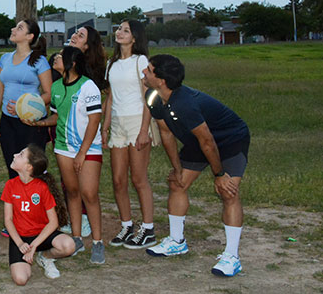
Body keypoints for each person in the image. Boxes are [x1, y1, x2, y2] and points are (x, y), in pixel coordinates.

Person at [143, 55, 250, 278]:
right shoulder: (153, 96)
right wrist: (177, 168)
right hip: (198, 141)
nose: (144, 72)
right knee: (177, 184)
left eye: (149, 70)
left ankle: (232, 256)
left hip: (229, 141)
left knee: (228, 191)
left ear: (161, 79)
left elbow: (208, 141)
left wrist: (219, 174)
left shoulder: (185, 103)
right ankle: (177, 241)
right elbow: (166, 132)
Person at [40, 46, 105, 264]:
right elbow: (57, 118)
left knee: (90, 194)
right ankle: (77, 238)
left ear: (72, 63)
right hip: (63, 148)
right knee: (73, 192)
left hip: (88, 149)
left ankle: (97, 242)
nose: (55, 58)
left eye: (60, 56)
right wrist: (38, 122)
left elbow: (94, 121)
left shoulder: (88, 86)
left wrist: (82, 153)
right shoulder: (56, 87)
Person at [103, 19, 157, 249]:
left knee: (138, 178)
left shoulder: (141, 61)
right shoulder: (111, 63)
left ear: (135, 37)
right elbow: (111, 97)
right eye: (119, 29)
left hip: (137, 121)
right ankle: (127, 225)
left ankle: (148, 229)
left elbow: (149, 97)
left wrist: (144, 129)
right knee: (118, 180)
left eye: (125, 30)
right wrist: (105, 127)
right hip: (117, 124)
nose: (120, 33)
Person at [0, 18, 52, 180]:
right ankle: (16, 204)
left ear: (29, 36)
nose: (13, 29)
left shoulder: (39, 61)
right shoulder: (5, 58)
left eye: (19, 28)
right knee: (14, 168)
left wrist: (21, 107)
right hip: (8, 122)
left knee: (32, 170)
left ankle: (35, 204)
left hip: (30, 123)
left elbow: (49, 93)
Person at [2, 144, 76, 284]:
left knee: (69, 245)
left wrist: (34, 245)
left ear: (29, 167)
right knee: (20, 279)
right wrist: (20, 244)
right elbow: (8, 220)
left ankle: (45, 257)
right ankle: (26, 260)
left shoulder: (42, 188)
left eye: (21, 154)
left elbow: (53, 222)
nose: (14, 155)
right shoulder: (10, 185)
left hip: (42, 236)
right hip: (21, 238)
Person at [64, 25, 106, 237]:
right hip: (64, 134)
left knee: (87, 188)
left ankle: (86, 221)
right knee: (70, 185)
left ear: (88, 47)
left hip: (86, 138)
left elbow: (95, 114)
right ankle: (76, 223)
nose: (74, 36)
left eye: (80, 36)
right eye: (75, 33)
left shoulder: (89, 78)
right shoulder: (65, 63)